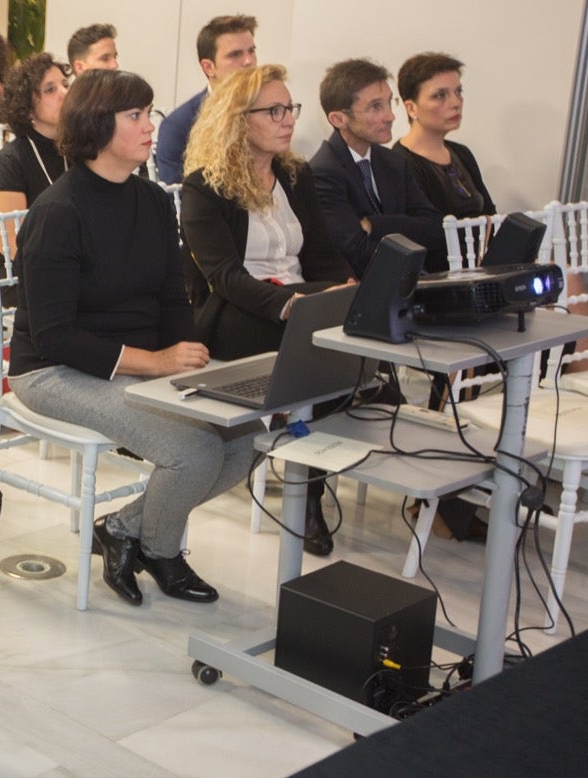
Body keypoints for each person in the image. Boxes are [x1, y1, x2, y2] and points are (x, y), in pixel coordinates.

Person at [7, 70, 256, 605]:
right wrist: (155, 363)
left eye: (150, 114)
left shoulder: (152, 200)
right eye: (135, 117)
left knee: (242, 439)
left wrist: (185, 365)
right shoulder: (57, 212)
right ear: (98, 126)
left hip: (135, 362)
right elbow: (53, 338)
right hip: (52, 371)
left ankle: (123, 528)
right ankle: (162, 551)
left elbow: (172, 295)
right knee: (192, 452)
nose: (150, 128)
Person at [179, 64, 354, 555]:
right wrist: (290, 304)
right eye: (273, 110)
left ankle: (318, 470)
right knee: (316, 345)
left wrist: (344, 287)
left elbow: (320, 253)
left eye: (289, 109)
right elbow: (224, 277)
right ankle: (308, 493)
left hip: (295, 297)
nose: (287, 119)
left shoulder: (295, 175)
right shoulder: (204, 186)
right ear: (238, 119)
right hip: (237, 311)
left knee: (350, 326)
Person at [310, 58, 446, 276]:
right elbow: (357, 253)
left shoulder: (393, 162)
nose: (390, 116)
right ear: (338, 119)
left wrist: (376, 225)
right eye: (375, 107)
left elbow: (436, 230)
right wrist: (409, 236)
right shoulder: (323, 172)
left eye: (389, 103)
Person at [154, 14, 258, 183]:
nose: (249, 61)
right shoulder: (179, 125)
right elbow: (178, 200)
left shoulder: (269, 111)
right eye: (236, 54)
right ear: (209, 68)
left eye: (252, 51)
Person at [395, 52, 495, 218]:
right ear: (411, 108)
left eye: (458, 92)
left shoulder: (461, 153)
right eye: (440, 95)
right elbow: (423, 231)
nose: (456, 103)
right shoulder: (400, 163)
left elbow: (490, 215)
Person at [0, 53, 70, 215]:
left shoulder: (79, 149)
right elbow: (9, 239)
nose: (65, 93)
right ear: (27, 108)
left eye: (66, 85)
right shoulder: (9, 164)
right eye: (50, 89)